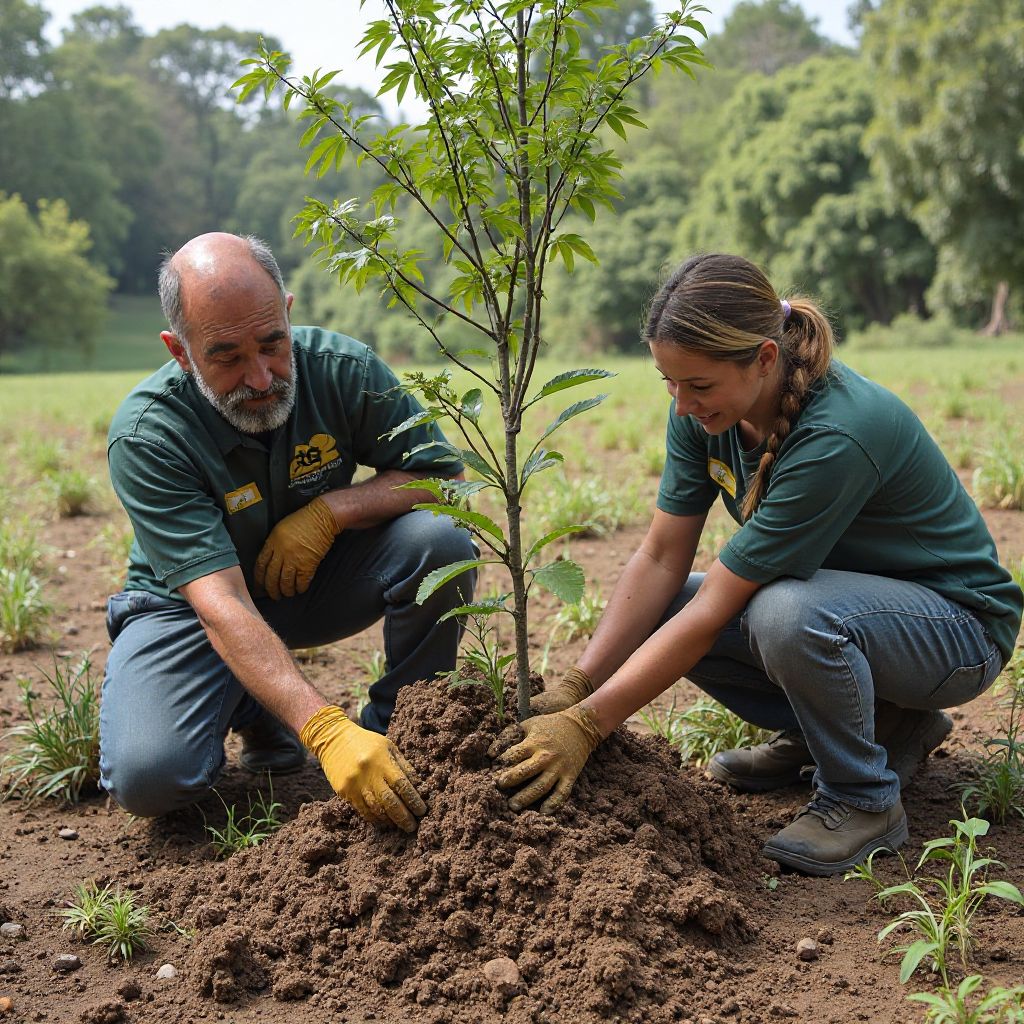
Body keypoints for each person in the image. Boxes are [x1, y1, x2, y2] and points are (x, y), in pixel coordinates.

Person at [491, 253, 1023, 875]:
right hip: (857, 616)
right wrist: (579, 685)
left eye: (699, 385)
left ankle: (862, 798)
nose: (682, 404)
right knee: (665, 609)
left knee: (782, 612)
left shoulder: (837, 432)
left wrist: (588, 726)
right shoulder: (704, 413)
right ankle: (876, 730)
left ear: (765, 358)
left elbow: (720, 602)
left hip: (955, 632)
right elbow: (660, 557)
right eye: (669, 383)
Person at [101, 232, 476, 832]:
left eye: (272, 344)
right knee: (151, 776)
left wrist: (333, 511)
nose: (259, 378)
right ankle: (256, 705)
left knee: (442, 539)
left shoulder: (344, 370)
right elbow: (220, 602)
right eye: (226, 357)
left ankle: (402, 736)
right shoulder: (149, 434)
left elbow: (447, 479)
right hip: (191, 609)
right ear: (180, 351)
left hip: (312, 583)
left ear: (288, 313)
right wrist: (324, 730)